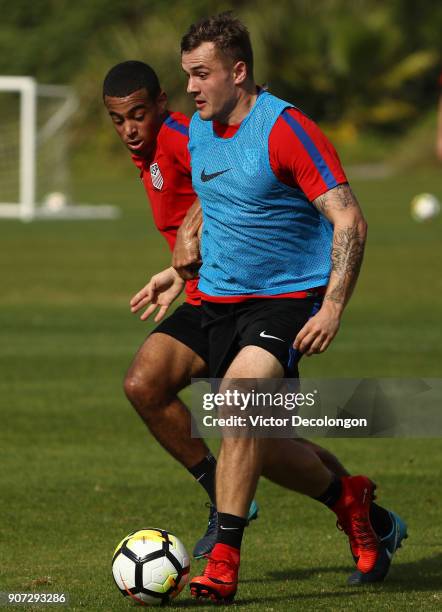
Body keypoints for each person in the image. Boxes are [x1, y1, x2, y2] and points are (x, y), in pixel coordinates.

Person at [102, 60, 404, 581]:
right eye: (118, 119)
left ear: (161, 103)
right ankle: (261, 493)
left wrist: (187, 235)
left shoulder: (181, 133)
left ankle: (254, 524)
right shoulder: (154, 148)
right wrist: (177, 270)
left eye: (139, 115)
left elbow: (218, 188)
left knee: (260, 435)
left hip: (263, 297)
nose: (130, 128)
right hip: (209, 296)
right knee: (149, 385)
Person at [179, 13, 407, 603]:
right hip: (217, 302)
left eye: (201, 74)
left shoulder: (286, 129)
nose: (191, 88)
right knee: (264, 443)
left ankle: (224, 562)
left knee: (237, 404)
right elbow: (218, 195)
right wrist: (176, 257)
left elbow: (349, 217)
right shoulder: (201, 126)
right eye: (187, 75)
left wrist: (331, 307)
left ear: (239, 71)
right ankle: (350, 498)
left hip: (285, 302)